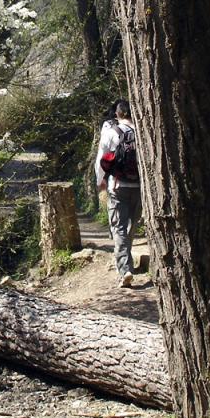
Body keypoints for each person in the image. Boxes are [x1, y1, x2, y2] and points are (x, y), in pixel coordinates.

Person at [95, 100, 141, 288]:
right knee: (131, 225)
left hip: (117, 186)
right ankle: (126, 262)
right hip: (139, 186)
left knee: (119, 228)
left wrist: (100, 181)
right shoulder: (142, 131)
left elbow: (101, 159)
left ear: (118, 114)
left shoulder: (111, 132)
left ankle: (125, 269)